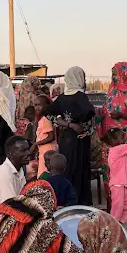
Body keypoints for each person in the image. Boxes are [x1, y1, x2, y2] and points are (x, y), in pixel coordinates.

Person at [97, 62, 127, 215]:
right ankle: (113, 207)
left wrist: (121, 115)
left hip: (126, 140)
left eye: (116, 73)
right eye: (112, 73)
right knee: (110, 174)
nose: (113, 76)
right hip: (109, 140)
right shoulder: (111, 90)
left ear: (124, 74)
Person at [46, 66, 94, 205]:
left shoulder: (62, 98)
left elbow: (49, 114)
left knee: (66, 168)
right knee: (79, 170)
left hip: (65, 140)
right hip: (79, 140)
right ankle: (78, 202)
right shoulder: (80, 97)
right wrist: (76, 125)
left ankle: (65, 201)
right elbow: (90, 113)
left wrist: (67, 124)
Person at [31, 94, 58, 177]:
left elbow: (51, 137)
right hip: (44, 150)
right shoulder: (43, 119)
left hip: (47, 150)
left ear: (46, 106)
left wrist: (35, 144)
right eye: (35, 105)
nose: (37, 108)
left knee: (44, 175)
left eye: (39, 105)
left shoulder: (45, 119)